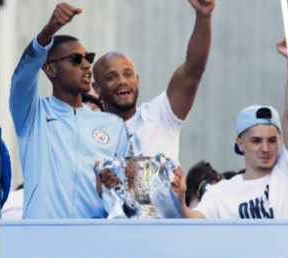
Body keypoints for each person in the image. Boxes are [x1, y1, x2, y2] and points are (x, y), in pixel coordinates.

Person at [10, 3, 132, 219]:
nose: (86, 65)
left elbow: (129, 201)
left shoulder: (114, 126)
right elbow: (21, 78)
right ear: (50, 70)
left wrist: (113, 190)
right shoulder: (32, 114)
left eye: (89, 58)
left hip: (94, 243)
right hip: (42, 242)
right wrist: (48, 31)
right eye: (76, 60)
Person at [172, 38, 288, 219]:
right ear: (240, 144)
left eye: (272, 140)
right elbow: (195, 222)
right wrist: (179, 199)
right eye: (256, 141)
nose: (265, 148)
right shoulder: (221, 193)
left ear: (280, 140)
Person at [91, 0, 214, 162]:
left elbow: (193, 71)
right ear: (96, 88)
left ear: (137, 80)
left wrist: (203, 16)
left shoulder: (160, 115)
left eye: (128, 74)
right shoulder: (88, 131)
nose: (122, 81)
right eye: (111, 77)